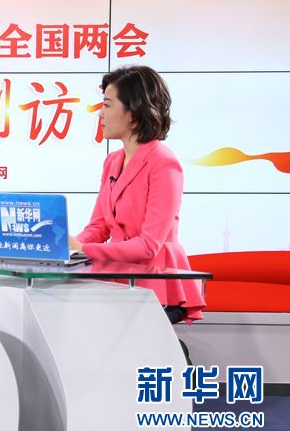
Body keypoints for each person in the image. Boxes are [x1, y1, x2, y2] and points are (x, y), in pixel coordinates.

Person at [69, 66, 205, 323]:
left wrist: (84, 249)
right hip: (120, 277)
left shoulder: (163, 162)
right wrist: (68, 247)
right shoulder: (112, 161)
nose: (100, 114)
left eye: (107, 105)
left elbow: (148, 245)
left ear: (133, 115)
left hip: (157, 282)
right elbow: (99, 227)